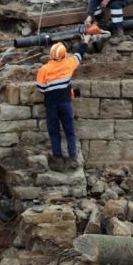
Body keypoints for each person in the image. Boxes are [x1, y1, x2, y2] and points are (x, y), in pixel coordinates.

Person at [36, 37, 90, 172]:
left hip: (51, 105)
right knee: (69, 131)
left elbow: (41, 88)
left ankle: (58, 160)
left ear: (51, 55)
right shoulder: (69, 64)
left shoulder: (44, 69)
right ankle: (72, 160)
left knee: (54, 132)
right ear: (64, 55)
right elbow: (79, 54)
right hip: (65, 103)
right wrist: (85, 41)